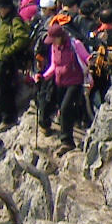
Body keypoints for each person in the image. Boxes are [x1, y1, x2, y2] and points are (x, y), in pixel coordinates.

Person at [34, 21, 92, 150]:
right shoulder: (55, 48)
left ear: (60, 37)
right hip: (60, 83)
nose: (52, 42)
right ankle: (66, 137)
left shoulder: (74, 45)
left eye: (53, 39)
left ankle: (67, 141)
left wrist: (92, 63)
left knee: (66, 109)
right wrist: (43, 76)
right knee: (62, 110)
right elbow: (54, 66)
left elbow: (86, 58)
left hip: (75, 83)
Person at [0, 0, 34, 128]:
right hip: (1, 59)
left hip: (6, 61)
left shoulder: (15, 20)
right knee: (0, 89)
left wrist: (7, 51)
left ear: (6, 8)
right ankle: (2, 118)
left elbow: (23, 38)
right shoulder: (6, 19)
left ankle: (8, 119)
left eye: (0, 8)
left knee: (4, 90)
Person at [86, 11, 112, 112]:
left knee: (93, 97)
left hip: (96, 72)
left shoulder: (93, 35)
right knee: (110, 98)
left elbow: (89, 52)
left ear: (99, 20)